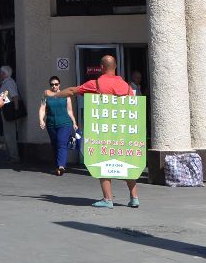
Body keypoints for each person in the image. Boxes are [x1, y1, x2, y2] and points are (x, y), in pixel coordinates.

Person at [53, 54, 141, 208]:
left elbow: (73, 91)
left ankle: (108, 199)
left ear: (101, 68)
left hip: (104, 131)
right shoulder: (126, 86)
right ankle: (134, 198)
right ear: (115, 67)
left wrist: (55, 94)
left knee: (103, 160)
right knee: (127, 161)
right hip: (124, 131)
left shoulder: (97, 84)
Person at [38, 76, 77, 176]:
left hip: (65, 123)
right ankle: (57, 165)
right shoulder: (45, 95)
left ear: (59, 85)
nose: (54, 86)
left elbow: (69, 110)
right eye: (52, 84)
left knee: (61, 142)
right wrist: (41, 119)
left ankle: (61, 166)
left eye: (56, 84)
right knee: (55, 144)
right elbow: (42, 108)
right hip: (51, 124)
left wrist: (74, 122)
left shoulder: (66, 95)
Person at [0, 65, 21, 163]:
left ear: (5, 74)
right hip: (5, 109)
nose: (0, 74)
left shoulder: (9, 82)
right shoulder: (4, 83)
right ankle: (10, 155)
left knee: (10, 134)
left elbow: (14, 95)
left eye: (1, 73)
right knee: (7, 133)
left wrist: (16, 109)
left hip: (9, 110)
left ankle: (14, 156)